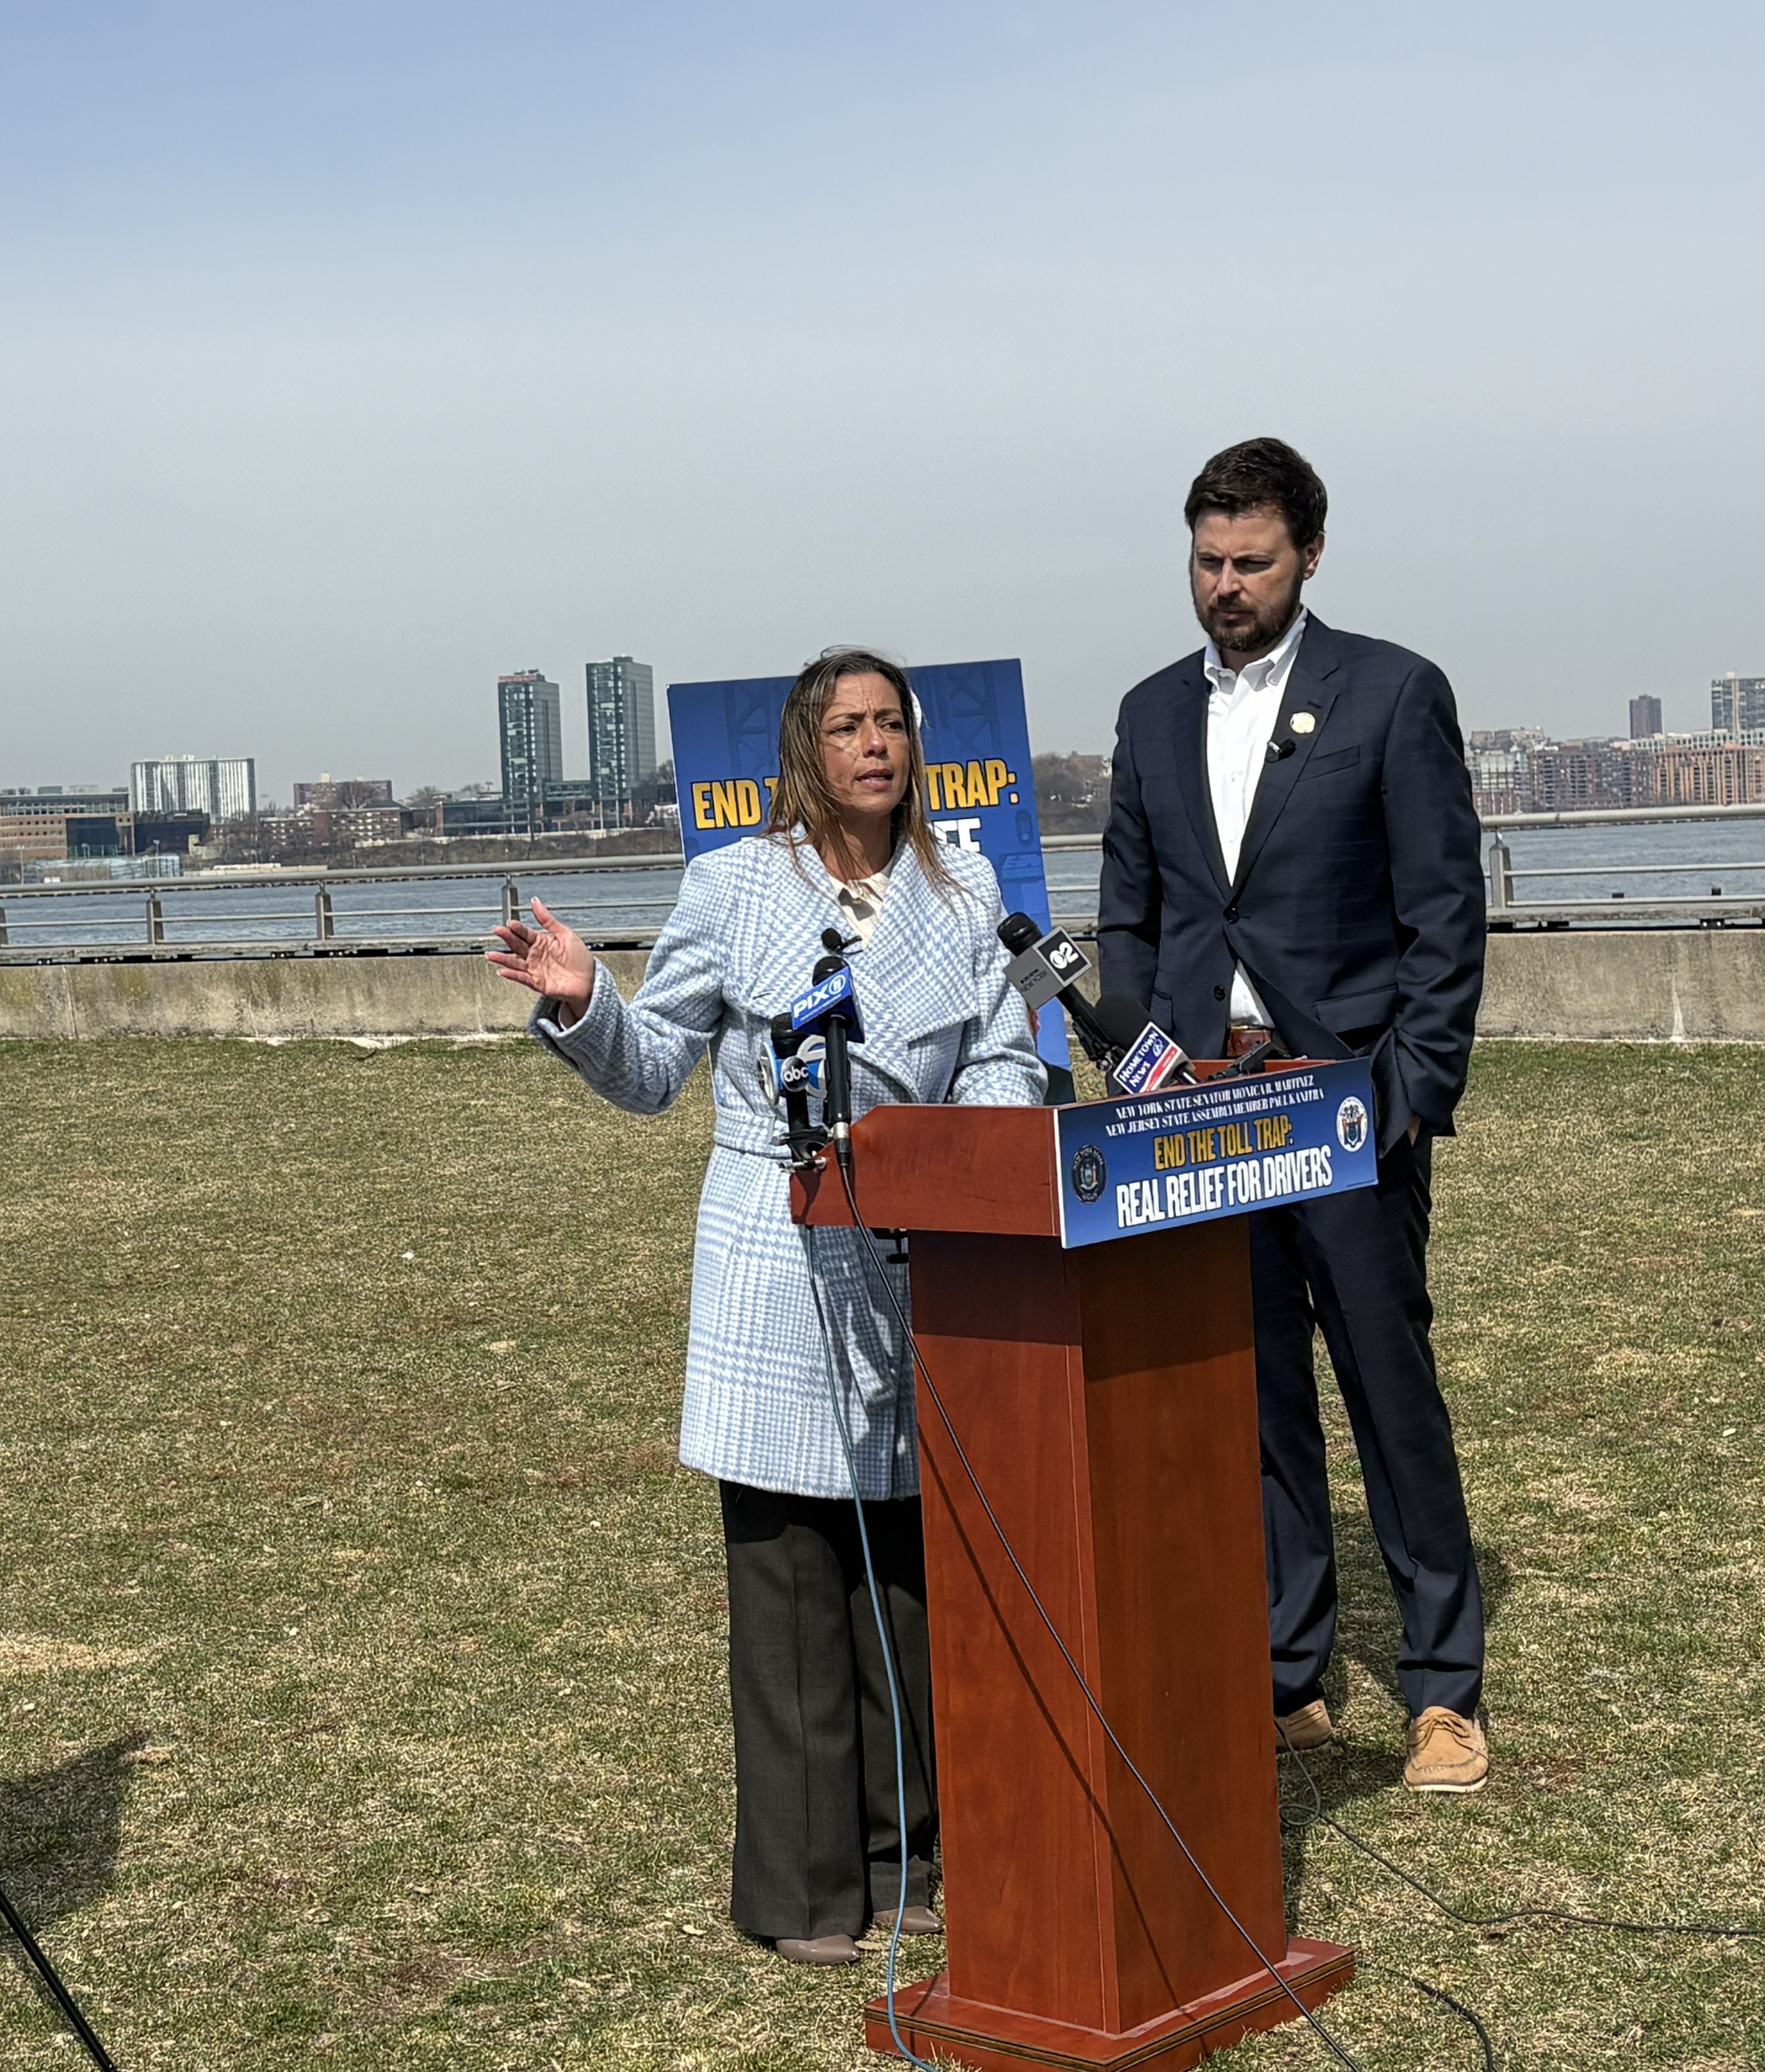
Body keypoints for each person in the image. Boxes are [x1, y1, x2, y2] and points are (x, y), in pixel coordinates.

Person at [487, 647, 1046, 1963]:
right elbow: (653, 1072)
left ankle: (905, 1855)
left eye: (892, 724)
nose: (875, 745)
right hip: (775, 1255)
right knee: (791, 1582)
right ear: (804, 749)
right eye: (847, 725)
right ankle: (802, 1894)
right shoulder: (735, 884)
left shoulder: (963, 893)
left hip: (918, 1254)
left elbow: (1007, 1059)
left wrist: (970, 1155)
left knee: (903, 1582)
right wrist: (586, 1005)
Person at [1096, 437, 1492, 1794]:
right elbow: (1133, 909)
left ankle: (1445, 1690)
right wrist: (1148, 1068)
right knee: (1256, 1404)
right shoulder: (1150, 713)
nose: (1225, 585)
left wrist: (1409, 1095)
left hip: (1346, 1106)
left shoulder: (1390, 693)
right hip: (1205, 1112)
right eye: (1206, 560)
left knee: (1391, 1392)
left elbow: (1446, 913)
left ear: (1308, 554)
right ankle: (1290, 1675)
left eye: (1251, 560)